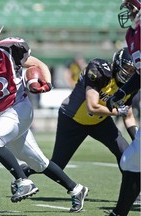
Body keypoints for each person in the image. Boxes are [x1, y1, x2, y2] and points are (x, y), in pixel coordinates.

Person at [0, 15, 88, 212]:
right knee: (39, 162)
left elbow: (39, 65)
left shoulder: (9, 51)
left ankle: (22, 180)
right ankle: (76, 189)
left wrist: (47, 83)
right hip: (1, 115)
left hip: (18, 106)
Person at [16, 47, 138, 207]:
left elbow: (128, 116)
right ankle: (25, 171)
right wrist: (117, 111)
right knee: (58, 164)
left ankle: (135, 192)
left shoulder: (133, 82)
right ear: (117, 63)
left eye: (132, 70)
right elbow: (92, 107)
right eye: (126, 68)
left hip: (100, 122)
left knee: (126, 152)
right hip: (73, 119)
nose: (129, 73)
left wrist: (137, 142)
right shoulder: (100, 70)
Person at [106, 0, 141, 215]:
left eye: (132, 8)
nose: (128, 13)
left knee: (131, 160)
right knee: (130, 160)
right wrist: (122, 92)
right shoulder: (132, 35)